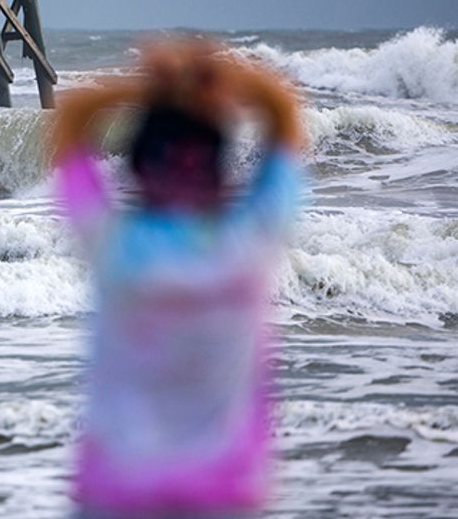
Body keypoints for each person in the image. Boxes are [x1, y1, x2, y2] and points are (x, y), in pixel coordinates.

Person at [52, 40, 305, 519]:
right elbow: (285, 114)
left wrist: (150, 87)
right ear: (222, 175)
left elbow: (69, 120)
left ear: (136, 173)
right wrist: (216, 76)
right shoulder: (249, 244)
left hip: (117, 490)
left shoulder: (115, 247)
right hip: (224, 491)